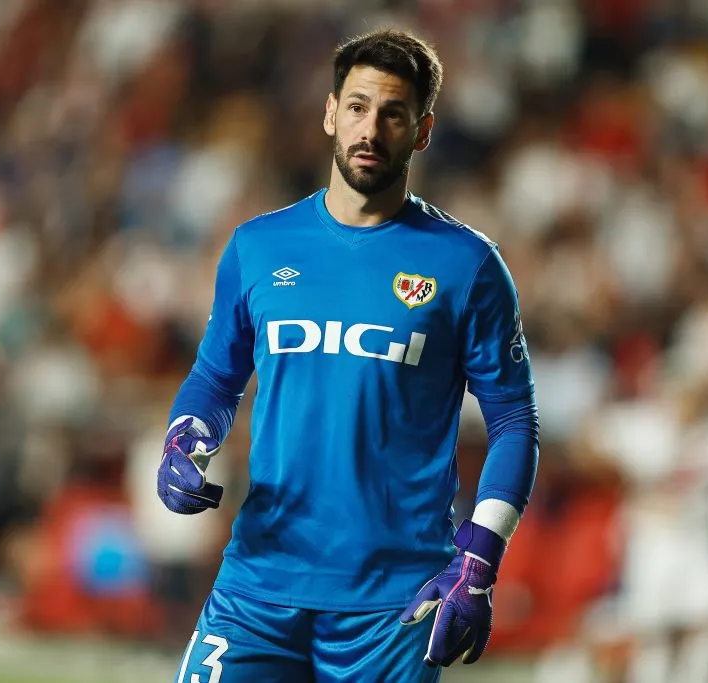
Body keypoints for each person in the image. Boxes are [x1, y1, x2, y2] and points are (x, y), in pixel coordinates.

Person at [157, 29, 540, 682]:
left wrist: (479, 561)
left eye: (394, 113)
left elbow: (513, 420)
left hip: (393, 604)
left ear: (421, 131)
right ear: (331, 111)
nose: (372, 128)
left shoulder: (467, 264)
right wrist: (185, 437)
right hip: (258, 579)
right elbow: (217, 377)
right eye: (358, 107)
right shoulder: (259, 246)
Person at [576, 376, 708, 683]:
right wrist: (620, 477)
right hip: (652, 539)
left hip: (703, 538)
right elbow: (584, 441)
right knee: (652, 629)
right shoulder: (641, 426)